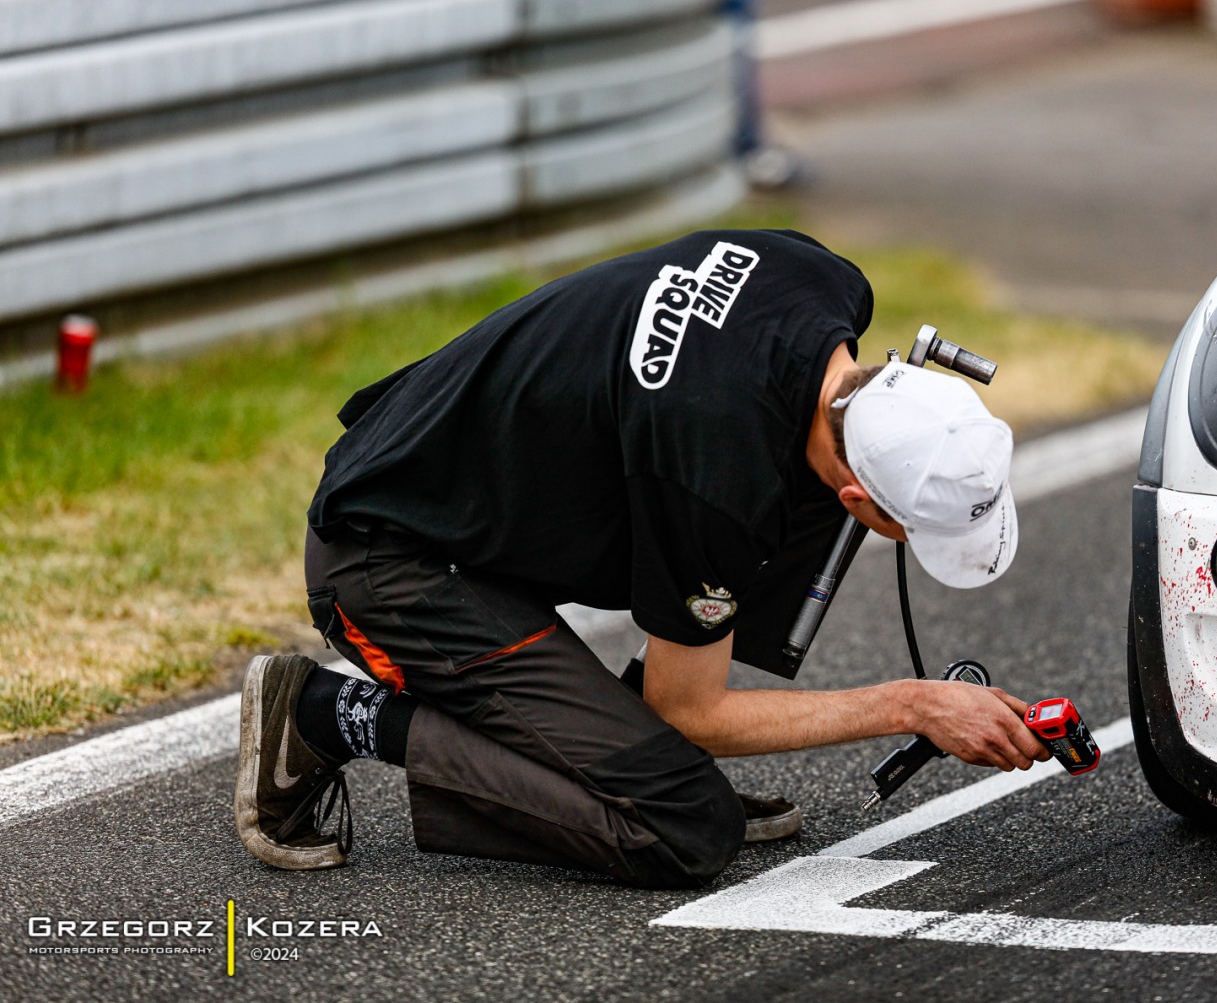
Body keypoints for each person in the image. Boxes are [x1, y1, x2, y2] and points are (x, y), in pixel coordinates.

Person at [234, 229, 1041, 889]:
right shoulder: (714, 475)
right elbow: (695, 709)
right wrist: (914, 706)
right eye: (908, 529)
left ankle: (631, 744)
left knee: (794, 490)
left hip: (459, 485)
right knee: (681, 826)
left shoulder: (822, 284)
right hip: (389, 560)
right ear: (867, 501)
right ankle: (316, 716)